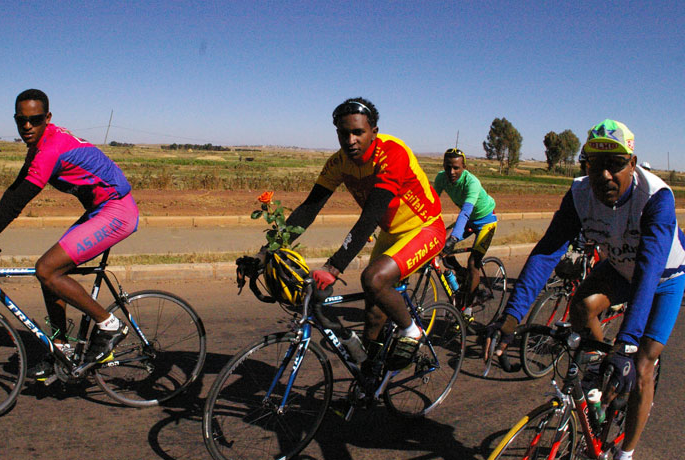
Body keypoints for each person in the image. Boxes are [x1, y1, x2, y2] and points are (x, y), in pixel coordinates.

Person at [486, 119, 685, 460]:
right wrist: (511, 316)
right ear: (585, 165)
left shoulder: (656, 197)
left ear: (632, 164)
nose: (605, 175)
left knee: (641, 367)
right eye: (596, 164)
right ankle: (598, 369)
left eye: (615, 164)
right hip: (619, 268)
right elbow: (548, 251)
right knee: (580, 307)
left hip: (663, 278)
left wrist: (626, 345)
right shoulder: (580, 193)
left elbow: (649, 272)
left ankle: (626, 453)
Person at [0, 89, 140, 378]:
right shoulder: (38, 147)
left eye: (34, 120)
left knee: (47, 269)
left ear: (47, 118)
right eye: (21, 120)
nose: (27, 126)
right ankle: (62, 348)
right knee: (49, 274)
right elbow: (12, 194)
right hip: (100, 209)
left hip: (117, 211)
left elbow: (15, 206)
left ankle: (109, 324)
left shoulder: (49, 150)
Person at [281, 97, 445, 369]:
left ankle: (411, 330)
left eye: (358, 132)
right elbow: (309, 208)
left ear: (374, 133)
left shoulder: (393, 152)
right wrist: (271, 247)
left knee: (373, 279)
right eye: (344, 133)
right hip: (391, 232)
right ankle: (369, 376)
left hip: (425, 227)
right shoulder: (338, 163)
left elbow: (371, 215)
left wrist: (334, 266)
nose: (351, 140)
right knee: (372, 313)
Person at [433, 147, 497, 319]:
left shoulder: (472, 183)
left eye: (456, 168)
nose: (451, 172)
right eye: (447, 167)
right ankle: (462, 275)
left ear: (464, 167)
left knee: (473, 264)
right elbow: (431, 203)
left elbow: (466, 212)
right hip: (468, 221)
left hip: (485, 221)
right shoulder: (441, 178)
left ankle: (467, 308)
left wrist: (453, 238)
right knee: (438, 244)